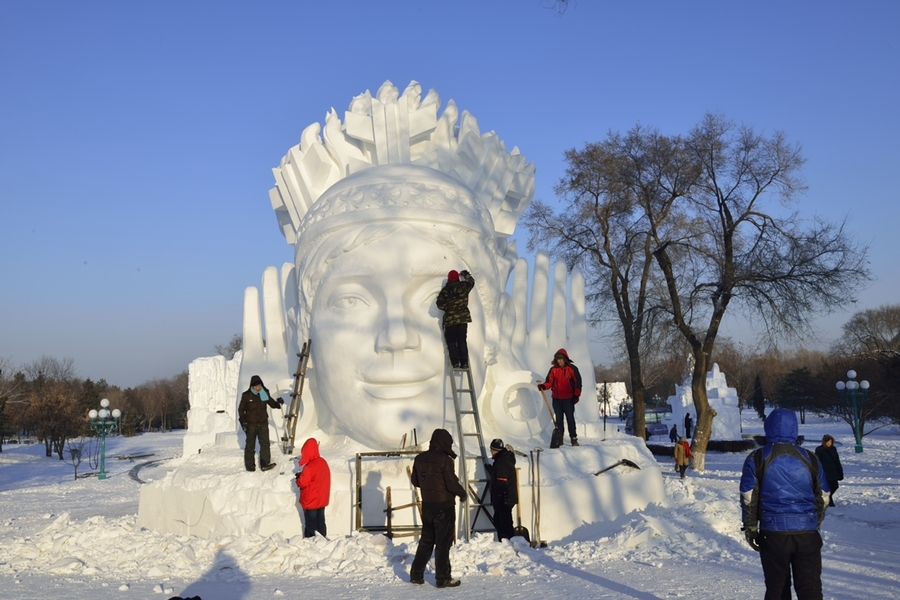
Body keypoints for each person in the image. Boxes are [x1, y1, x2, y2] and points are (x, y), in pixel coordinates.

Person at [740, 408, 830, 600]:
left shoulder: (757, 458)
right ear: (794, 429)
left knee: (777, 589)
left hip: (773, 534)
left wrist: (750, 528)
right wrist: (814, 521)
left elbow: (749, 497)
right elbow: (824, 495)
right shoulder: (810, 458)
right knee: (810, 589)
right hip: (806, 533)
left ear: (768, 427)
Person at [410, 428, 467, 588]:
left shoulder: (419, 458)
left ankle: (416, 575)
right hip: (444, 507)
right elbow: (451, 483)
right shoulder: (445, 460)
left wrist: (428, 485)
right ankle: (443, 578)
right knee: (443, 544)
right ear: (443, 442)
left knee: (426, 541)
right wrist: (462, 493)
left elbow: (415, 481)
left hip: (427, 506)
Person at [237, 375, 283, 472]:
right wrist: (243, 423)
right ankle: (250, 467)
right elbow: (241, 410)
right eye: (256, 386)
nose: (259, 388)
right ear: (252, 386)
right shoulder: (246, 395)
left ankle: (265, 464)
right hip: (251, 425)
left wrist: (278, 404)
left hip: (263, 423)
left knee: (265, 444)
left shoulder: (263, 393)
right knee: (250, 446)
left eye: (260, 385)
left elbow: (271, 403)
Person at [538, 349, 582, 446]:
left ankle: (573, 438)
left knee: (570, 419)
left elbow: (578, 383)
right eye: (558, 359)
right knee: (559, 420)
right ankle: (560, 438)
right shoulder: (553, 370)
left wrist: (576, 395)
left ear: (565, 359)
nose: (559, 361)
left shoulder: (572, 369)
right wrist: (543, 386)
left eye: (561, 359)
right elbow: (549, 382)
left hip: (568, 399)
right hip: (557, 399)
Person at [436, 269, 476, 369]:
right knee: (462, 341)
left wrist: (448, 307)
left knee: (452, 341)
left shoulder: (446, 290)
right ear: (457, 278)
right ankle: (464, 363)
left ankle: (455, 363)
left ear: (449, 279)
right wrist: (466, 275)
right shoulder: (464, 286)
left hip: (451, 320)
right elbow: (472, 282)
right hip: (463, 319)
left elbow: (439, 304)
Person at [295, 437, 331, 538]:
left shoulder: (309, 467)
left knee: (310, 526)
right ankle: (323, 540)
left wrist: (298, 478)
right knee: (321, 523)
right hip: (321, 500)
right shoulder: (323, 462)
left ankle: (309, 545)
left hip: (311, 501)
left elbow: (302, 483)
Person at [486, 438, 517, 541]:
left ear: (495, 450)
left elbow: (502, 482)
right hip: (506, 498)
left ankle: (507, 545)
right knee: (501, 522)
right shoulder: (503, 459)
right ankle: (506, 543)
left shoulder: (501, 462)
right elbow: (500, 475)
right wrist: (492, 471)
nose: (491, 452)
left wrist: (499, 498)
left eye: (491, 450)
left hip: (504, 499)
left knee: (503, 525)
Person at [815, 435, 844, 507]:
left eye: (830, 442)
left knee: (835, 486)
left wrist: (840, 472)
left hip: (833, 471)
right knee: (827, 486)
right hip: (825, 472)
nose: (829, 443)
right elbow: (817, 461)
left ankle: (828, 497)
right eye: (827, 442)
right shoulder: (819, 450)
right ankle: (828, 500)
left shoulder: (833, 449)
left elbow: (837, 461)